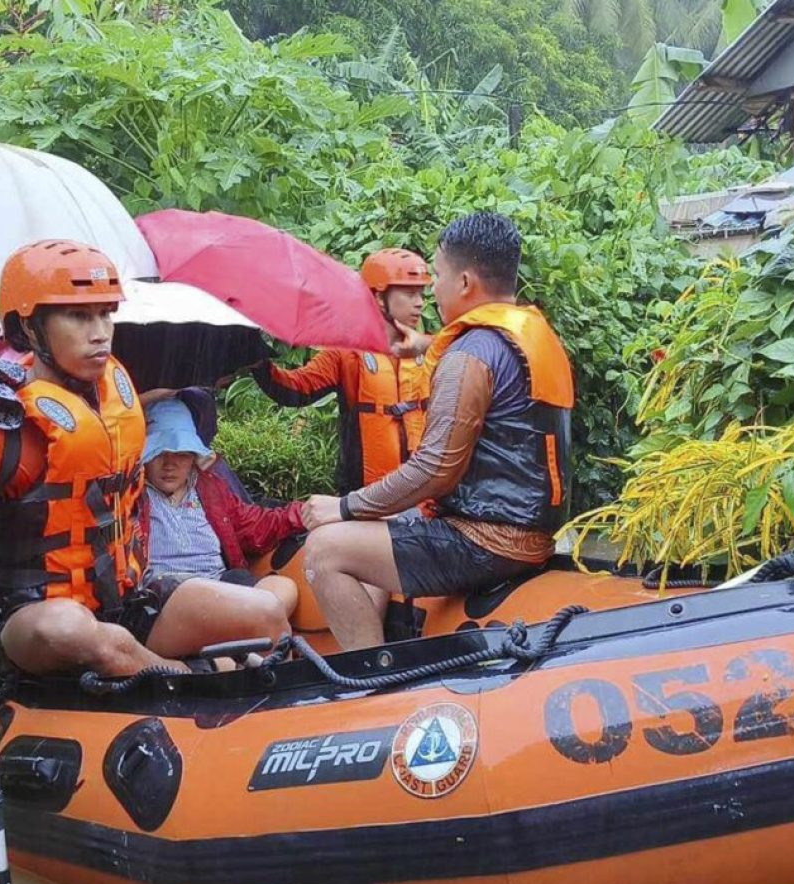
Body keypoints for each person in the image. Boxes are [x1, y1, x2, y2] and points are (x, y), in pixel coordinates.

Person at [0, 240, 289, 677]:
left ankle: (202, 683)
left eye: (105, 313)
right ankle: (185, 678)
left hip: (122, 602)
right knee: (72, 628)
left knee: (262, 610)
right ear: (28, 328)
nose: (100, 332)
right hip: (29, 620)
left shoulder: (117, 394)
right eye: (78, 316)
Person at [300, 212, 575, 651]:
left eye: (439, 276)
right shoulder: (529, 333)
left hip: (485, 539)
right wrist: (425, 345)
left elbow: (435, 471)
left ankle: (369, 679)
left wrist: (345, 506)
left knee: (324, 551)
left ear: (465, 282)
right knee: (383, 518)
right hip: (531, 532)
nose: (433, 291)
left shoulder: (469, 354)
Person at [252, 248, 433, 493]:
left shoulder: (432, 350)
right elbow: (295, 389)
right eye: (410, 294)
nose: (420, 303)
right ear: (379, 298)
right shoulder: (346, 354)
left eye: (421, 293)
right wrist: (258, 360)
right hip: (366, 497)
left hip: (423, 497)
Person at [138, 397, 302, 616]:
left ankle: (235, 633)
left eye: (181, 453)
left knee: (283, 589)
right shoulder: (129, 497)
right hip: (166, 595)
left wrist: (307, 513)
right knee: (225, 604)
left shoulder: (210, 487)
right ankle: (239, 634)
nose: (170, 464)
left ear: (193, 457)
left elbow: (256, 525)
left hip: (222, 584)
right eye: (159, 453)